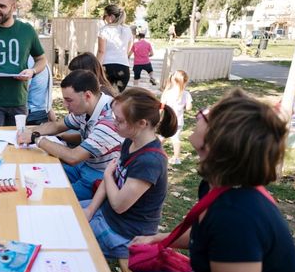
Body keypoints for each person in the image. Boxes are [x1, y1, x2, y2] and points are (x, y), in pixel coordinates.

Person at [117, 89, 295, 272]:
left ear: (216, 143)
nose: (202, 114)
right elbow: (205, 233)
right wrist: (160, 238)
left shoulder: (238, 215)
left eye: (208, 115)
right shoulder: (217, 183)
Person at [82, 88, 177, 258]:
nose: (114, 124)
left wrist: (107, 175)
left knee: (65, 231)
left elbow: (119, 205)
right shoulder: (130, 141)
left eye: (119, 120)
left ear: (142, 123)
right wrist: (90, 209)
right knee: (65, 213)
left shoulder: (150, 161)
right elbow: (112, 177)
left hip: (123, 234)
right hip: (107, 215)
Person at [17, 70, 123, 201]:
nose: (65, 105)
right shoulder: (87, 107)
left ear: (87, 96)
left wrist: (36, 139)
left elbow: (73, 157)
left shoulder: (109, 120)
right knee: (36, 176)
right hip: (84, 167)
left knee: (46, 196)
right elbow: (57, 126)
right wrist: (31, 131)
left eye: (69, 100)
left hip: (98, 178)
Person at [97, 4, 133, 92]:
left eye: (104, 15)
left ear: (111, 16)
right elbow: (127, 50)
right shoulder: (128, 30)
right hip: (124, 69)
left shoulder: (104, 30)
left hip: (107, 68)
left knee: (105, 96)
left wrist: (96, 68)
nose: (103, 18)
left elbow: (101, 51)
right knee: (116, 98)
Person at [161, 70, 193, 165]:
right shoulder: (186, 94)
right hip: (178, 121)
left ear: (173, 80)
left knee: (162, 137)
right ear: (185, 81)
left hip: (167, 120)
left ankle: (154, 152)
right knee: (176, 139)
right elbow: (189, 108)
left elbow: (161, 107)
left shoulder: (167, 93)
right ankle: (176, 158)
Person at [26, 56, 56, 125]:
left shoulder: (29, 61)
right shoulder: (42, 61)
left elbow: (23, 91)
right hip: (42, 112)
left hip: (30, 114)